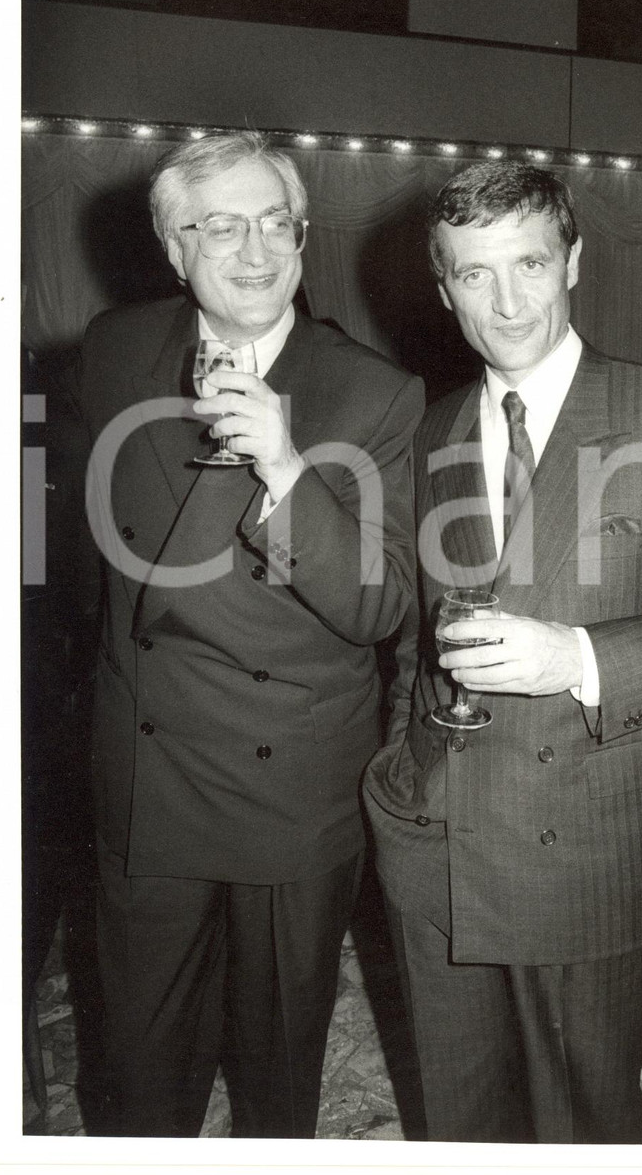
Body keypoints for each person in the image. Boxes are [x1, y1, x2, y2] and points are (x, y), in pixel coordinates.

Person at [364, 162, 642, 1144]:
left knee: (583, 1127)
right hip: (434, 847)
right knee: (456, 1123)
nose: (507, 298)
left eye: (527, 262)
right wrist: (404, 775)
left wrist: (577, 654)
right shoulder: (431, 430)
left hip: (584, 852)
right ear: (444, 288)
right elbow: (415, 635)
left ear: (573, 258)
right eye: (475, 274)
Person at [78, 131, 423, 1136]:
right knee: (140, 1070)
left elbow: (384, 602)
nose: (255, 250)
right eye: (220, 226)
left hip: (289, 794)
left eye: (277, 222)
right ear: (172, 247)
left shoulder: (373, 392)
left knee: (276, 1076)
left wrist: (285, 465)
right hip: (144, 776)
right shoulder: (113, 348)